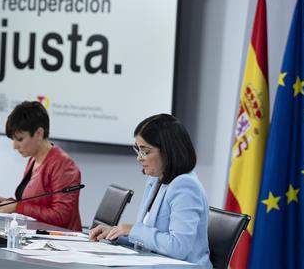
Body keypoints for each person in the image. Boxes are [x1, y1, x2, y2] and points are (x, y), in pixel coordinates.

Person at [89, 114, 212, 268]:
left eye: (145, 151)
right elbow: (148, 240)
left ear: (168, 152)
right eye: (138, 150)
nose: (139, 158)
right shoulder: (155, 180)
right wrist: (117, 233)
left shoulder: (185, 185)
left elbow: (178, 247)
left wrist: (132, 230)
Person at [0, 101, 82, 231]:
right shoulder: (33, 159)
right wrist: (8, 203)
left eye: (20, 139)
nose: (14, 146)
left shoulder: (63, 165)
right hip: (37, 236)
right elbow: (34, 205)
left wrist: (17, 207)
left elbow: (61, 217)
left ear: (39, 133)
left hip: (60, 242)